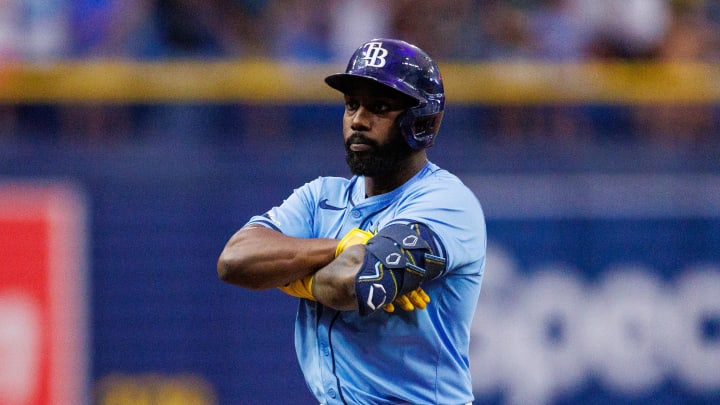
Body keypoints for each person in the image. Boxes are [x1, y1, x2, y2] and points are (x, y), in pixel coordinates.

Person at [217, 38, 486, 405]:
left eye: (379, 107)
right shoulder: (320, 197)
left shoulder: (446, 203)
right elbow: (235, 260)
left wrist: (288, 275)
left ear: (422, 120)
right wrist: (340, 246)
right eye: (352, 105)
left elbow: (351, 285)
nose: (358, 120)